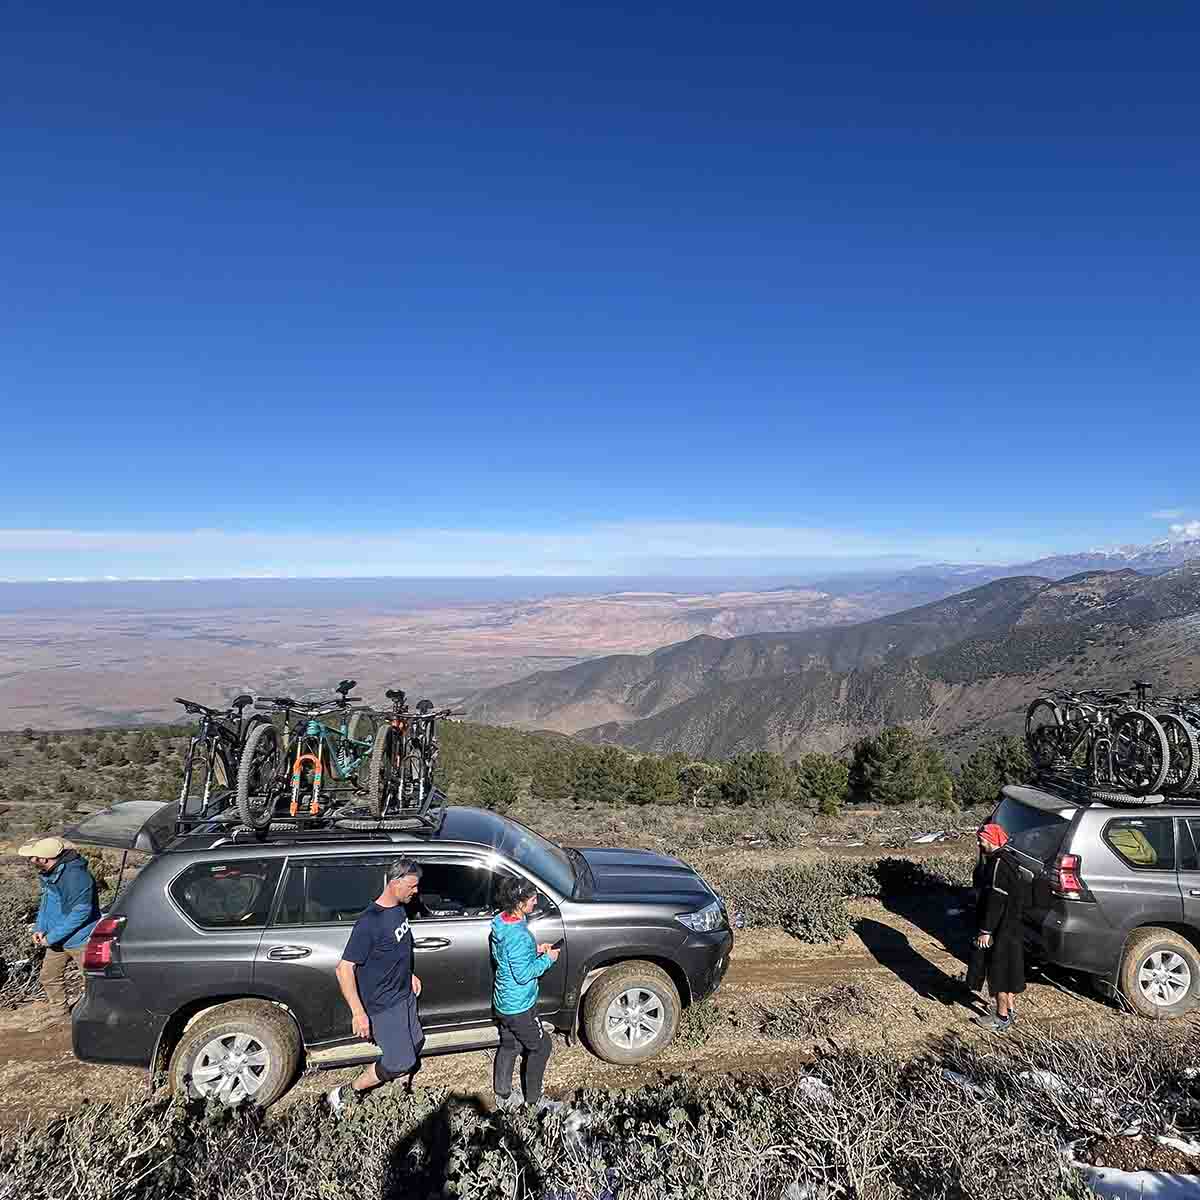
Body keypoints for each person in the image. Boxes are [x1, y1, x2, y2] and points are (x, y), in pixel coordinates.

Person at [326, 859, 425, 1112]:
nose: (416, 891)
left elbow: (397, 949)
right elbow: (344, 969)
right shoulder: (370, 922)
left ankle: (398, 1096)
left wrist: (409, 973)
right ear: (395, 883)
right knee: (399, 1060)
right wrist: (359, 1013)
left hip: (404, 994)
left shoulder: (398, 910)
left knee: (415, 1044)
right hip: (383, 1004)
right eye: (412, 886)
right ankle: (346, 1093)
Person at [490, 876, 562, 1114]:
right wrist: (547, 960)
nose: (535, 902)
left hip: (503, 1001)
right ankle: (534, 1100)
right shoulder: (519, 935)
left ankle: (502, 1095)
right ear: (519, 902)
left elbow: (508, 956)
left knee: (509, 1045)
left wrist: (535, 949)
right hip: (520, 1005)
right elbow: (524, 974)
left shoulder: (501, 922)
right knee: (542, 1047)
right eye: (532, 899)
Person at [18, 835, 102, 1024]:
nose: (31, 860)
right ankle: (59, 1014)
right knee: (49, 976)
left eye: (33, 857)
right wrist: (40, 927)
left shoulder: (77, 877)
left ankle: (95, 1017)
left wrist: (52, 936)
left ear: (44, 859)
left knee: (91, 981)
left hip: (80, 938)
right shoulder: (50, 873)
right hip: (57, 936)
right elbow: (48, 903)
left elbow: (81, 913)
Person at [967, 823, 1026, 1032]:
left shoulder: (997, 865)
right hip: (1012, 926)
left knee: (998, 971)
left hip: (1000, 929)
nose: (978, 843)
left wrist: (986, 931)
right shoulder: (1010, 860)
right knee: (1010, 968)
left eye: (981, 839)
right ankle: (1009, 1010)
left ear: (992, 840)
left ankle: (1000, 1018)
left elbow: (995, 901)